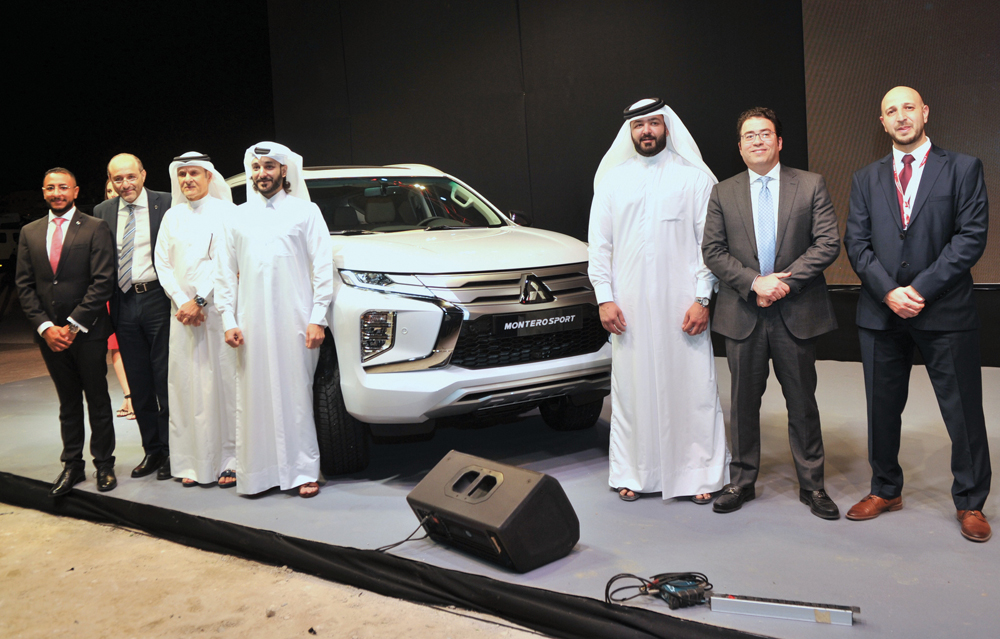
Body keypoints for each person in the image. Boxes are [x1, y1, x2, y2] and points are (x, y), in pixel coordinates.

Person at [843, 86, 991, 542]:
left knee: (962, 411)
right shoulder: (865, 178)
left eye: (909, 107)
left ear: (925, 112)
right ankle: (885, 489)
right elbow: (856, 243)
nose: (901, 116)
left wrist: (919, 289)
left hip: (944, 310)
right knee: (882, 409)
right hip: (882, 312)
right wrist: (889, 292)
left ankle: (970, 501)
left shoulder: (963, 168)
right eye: (891, 111)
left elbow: (970, 237)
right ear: (882, 122)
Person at [702, 107, 841, 519]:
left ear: (779, 142)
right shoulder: (722, 192)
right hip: (742, 313)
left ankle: (812, 485)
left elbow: (827, 243)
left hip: (795, 310)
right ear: (740, 147)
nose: (757, 141)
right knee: (743, 405)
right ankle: (742, 481)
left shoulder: (811, 184)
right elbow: (713, 251)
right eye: (749, 136)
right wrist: (754, 283)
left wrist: (781, 284)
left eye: (765, 133)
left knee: (802, 402)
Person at [588, 98, 729, 503]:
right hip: (627, 307)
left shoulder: (695, 180)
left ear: (667, 127)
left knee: (692, 388)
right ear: (629, 132)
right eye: (639, 125)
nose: (646, 131)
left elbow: (708, 246)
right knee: (633, 390)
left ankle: (699, 476)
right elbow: (600, 246)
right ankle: (634, 472)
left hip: (683, 305)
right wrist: (604, 298)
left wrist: (703, 298)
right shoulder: (612, 181)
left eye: (653, 123)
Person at [216, 142, 334, 497]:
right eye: (256, 167)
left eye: (269, 166)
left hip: (296, 319)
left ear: (284, 170)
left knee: (296, 395)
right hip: (249, 322)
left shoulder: (306, 211)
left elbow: (323, 267)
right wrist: (227, 319)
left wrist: (318, 318)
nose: (261, 173)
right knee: (252, 397)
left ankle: (303, 471)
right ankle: (256, 475)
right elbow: (224, 273)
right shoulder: (236, 216)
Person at [15, 168, 117, 496]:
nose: (57, 193)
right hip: (50, 336)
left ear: (75, 191)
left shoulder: (95, 227)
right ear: (43, 192)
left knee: (97, 400)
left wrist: (72, 326)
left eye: (63, 187)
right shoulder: (29, 232)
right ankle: (73, 465)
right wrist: (46, 328)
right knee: (68, 402)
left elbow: (103, 281)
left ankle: (104, 464)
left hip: (87, 332)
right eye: (50, 188)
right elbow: (24, 285)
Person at [154, 153, 238, 488]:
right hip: (183, 317)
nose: (188, 179)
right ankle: (192, 463)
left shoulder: (227, 213)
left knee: (224, 385)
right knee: (186, 387)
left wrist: (200, 300)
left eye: (194, 173)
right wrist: (182, 302)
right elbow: (162, 264)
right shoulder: (172, 216)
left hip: (218, 313)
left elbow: (228, 263)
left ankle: (230, 460)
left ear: (209, 176)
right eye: (183, 174)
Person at [94, 154, 173, 481]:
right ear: (110, 181)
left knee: (165, 379)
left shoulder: (166, 203)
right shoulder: (103, 211)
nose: (125, 184)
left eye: (130, 176)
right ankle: (152, 450)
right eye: (118, 179)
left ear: (143, 174)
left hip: (158, 298)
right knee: (138, 383)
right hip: (123, 303)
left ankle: (172, 451)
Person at [105, 179, 133, 421]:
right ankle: (128, 395)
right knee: (115, 346)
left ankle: (142, 395)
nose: (113, 194)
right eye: (109, 191)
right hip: (110, 293)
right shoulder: (100, 221)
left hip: (139, 291)